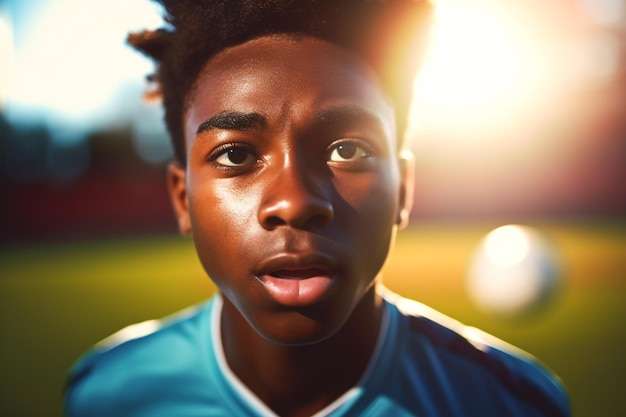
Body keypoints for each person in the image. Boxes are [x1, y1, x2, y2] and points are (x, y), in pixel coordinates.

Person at [65, 1, 570, 416]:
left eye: (347, 149)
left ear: (404, 190)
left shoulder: (511, 402)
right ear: (182, 199)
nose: (295, 202)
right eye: (236, 155)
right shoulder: (108, 394)